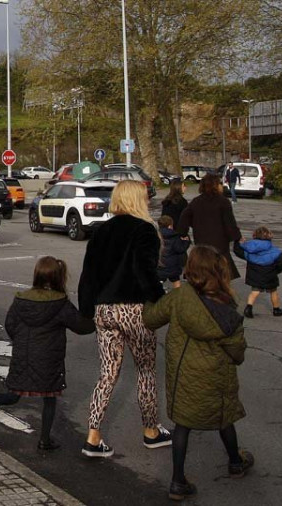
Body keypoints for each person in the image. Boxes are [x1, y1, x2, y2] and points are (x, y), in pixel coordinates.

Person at [142, 245, 252, 502]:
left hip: (184, 376)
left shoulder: (180, 298)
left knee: (183, 425)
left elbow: (151, 319)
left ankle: (177, 481)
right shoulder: (228, 310)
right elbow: (237, 352)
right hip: (217, 377)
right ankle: (235, 462)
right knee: (225, 418)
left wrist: (149, 296)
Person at [0, 257, 95, 451]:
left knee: (13, 395)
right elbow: (81, 327)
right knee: (49, 398)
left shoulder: (21, 298)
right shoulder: (60, 303)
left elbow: (10, 325)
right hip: (48, 360)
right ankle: (44, 440)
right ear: (59, 278)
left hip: (23, 356)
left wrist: (22, 343)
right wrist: (95, 317)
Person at [78, 180, 170, 458]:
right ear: (137, 200)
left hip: (104, 310)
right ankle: (151, 431)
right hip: (133, 309)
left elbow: (88, 275)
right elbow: (145, 272)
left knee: (107, 373)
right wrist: (161, 301)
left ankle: (93, 436)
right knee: (145, 371)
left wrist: (86, 310)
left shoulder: (101, 230)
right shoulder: (144, 230)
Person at [176, 173, 243, 279]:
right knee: (220, 272)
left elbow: (184, 218)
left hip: (202, 240)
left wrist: (182, 233)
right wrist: (237, 237)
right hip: (220, 243)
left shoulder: (196, 202)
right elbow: (230, 223)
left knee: (203, 270)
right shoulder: (223, 202)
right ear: (215, 185)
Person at [233, 226, 282, 318]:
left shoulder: (248, 249)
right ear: (269, 236)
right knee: (273, 291)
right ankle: (276, 309)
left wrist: (237, 241)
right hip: (270, 275)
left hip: (254, 275)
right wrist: (276, 271)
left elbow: (237, 251)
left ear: (254, 235)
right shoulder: (274, 251)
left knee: (255, 292)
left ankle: (249, 308)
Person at [157, 215, 190, 289]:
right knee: (176, 281)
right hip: (173, 266)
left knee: (159, 281)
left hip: (160, 266)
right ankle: (177, 297)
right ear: (170, 226)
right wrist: (186, 242)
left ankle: (158, 297)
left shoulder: (155, 235)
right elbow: (180, 249)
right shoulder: (175, 236)